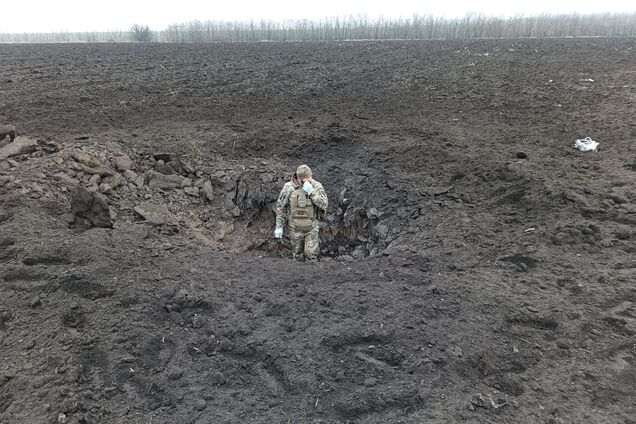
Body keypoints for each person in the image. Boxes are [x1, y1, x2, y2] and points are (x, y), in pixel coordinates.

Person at [274, 164, 328, 261]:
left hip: (311, 226)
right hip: (295, 227)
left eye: (310, 177)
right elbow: (281, 206)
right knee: (297, 256)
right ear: (300, 178)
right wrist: (279, 226)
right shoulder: (288, 187)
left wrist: (312, 192)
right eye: (307, 178)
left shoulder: (316, 186)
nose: (310, 179)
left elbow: (324, 204)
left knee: (311, 255)